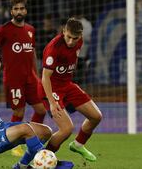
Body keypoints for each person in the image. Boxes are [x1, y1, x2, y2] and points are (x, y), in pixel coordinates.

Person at [0, 0, 47, 156]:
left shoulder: (31, 30)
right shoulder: (4, 30)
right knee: (19, 113)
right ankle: (14, 144)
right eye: (16, 9)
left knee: (41, 110)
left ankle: (33, 138)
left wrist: (37, 75)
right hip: (14, 79)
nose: (19, 11)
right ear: (11, 11)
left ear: (26, 10)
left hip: (31, 78)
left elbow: (32, 52)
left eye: (22, 8)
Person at [38, 18, 102, 162]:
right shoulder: (53, 48)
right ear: (63, 32)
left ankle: (78, 144)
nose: (72, 41)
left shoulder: (79, 41)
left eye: (75, 38)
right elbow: (45, 78)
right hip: (51, 88)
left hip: (67, 85)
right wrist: (52, 102)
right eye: (69, 37)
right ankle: (42, 160)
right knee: (66, 129)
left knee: (96, 116)